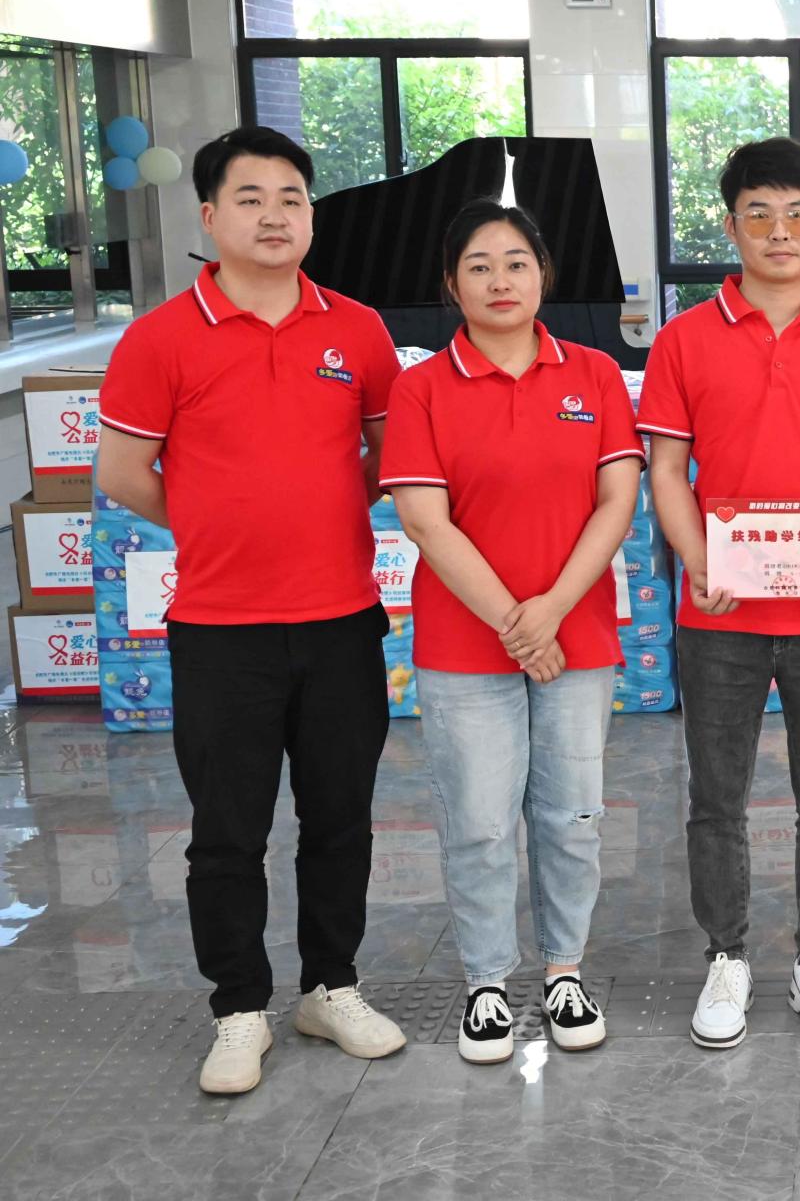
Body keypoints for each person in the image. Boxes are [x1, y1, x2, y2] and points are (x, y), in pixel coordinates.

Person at [97, 126, 407, 1095]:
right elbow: (123, 471)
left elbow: (390, 456)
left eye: (291, 198)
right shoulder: (160, 337)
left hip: (342, 620)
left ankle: (330, 986)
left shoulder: (358, 329)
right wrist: (212, 517)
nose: (274, 215)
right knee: (227, 829)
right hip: (220, 628)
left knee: (340, 818)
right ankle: (239, 1007)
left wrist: (320, 509)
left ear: (310, 214)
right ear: (208, 214)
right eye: (250, 197)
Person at [638, 138, 800, 1051]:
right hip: (720, 613)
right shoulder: (683, 339)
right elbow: (666, 469)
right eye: (759, 213)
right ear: (731, 226)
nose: (779, 231)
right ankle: (727, 955)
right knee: (716, 797)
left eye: (797, 214)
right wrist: (697, 558)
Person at [380, 200, 642, 1063]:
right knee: (482, 821)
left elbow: (617, 502)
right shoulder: (421, 388)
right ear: (450, 285)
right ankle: (486, 982)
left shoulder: (594, 375)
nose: (501, 280)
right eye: (480, 266)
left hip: (578, 636)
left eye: (517, 262)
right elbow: (426, 520)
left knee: (572, 815)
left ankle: (564, 971)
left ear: (544, 276)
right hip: (465, 647)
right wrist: (516, 624)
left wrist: (552, 610)